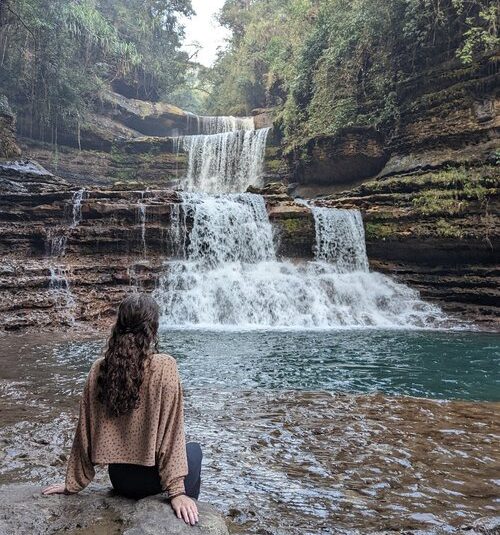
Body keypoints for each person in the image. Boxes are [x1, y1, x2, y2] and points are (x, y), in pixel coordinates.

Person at [42, 293, 201, 526]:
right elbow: (172, 434)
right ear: (153, 329)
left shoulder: (99, 368)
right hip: (154, 481)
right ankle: (188, 516)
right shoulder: (165, 366)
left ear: (119, 325)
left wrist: (72, 484)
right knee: (194, 451)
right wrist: (177, 492)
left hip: (120, 480)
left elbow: (83, 432)